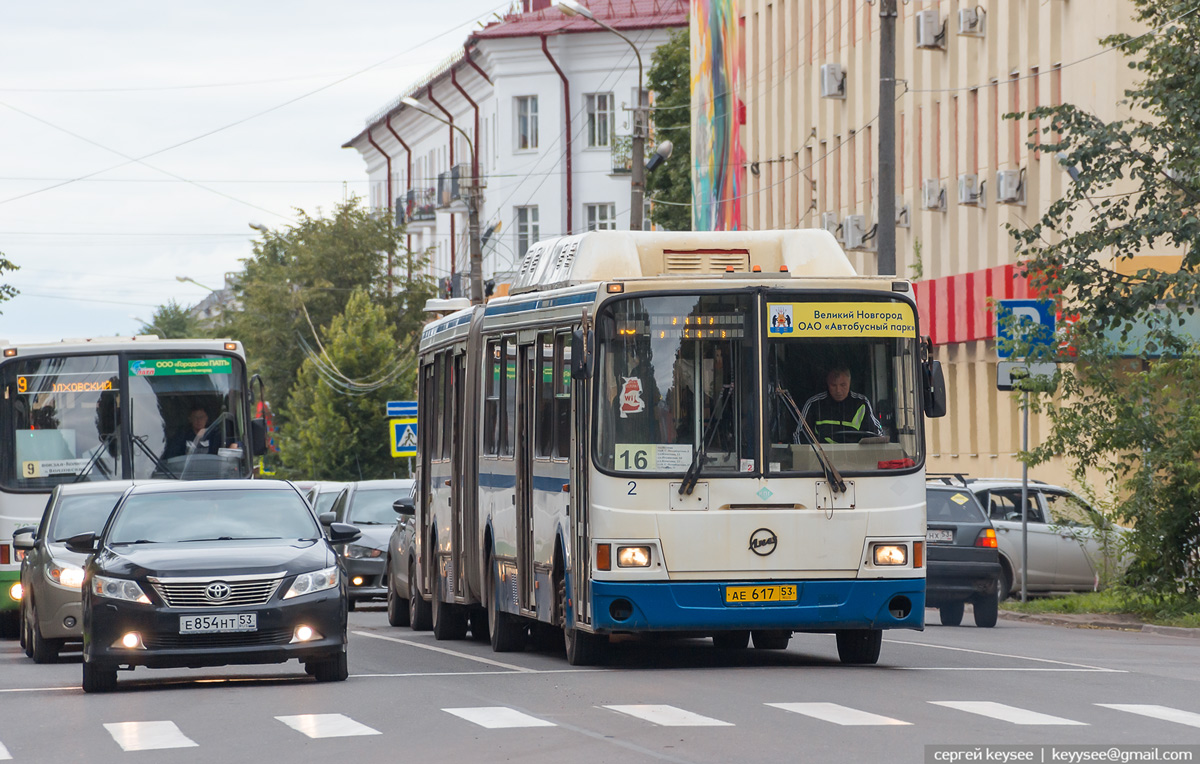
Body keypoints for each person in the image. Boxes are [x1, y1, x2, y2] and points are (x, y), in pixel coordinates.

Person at [796, 366, 883, 444]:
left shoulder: (862, 402)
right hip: (822, 459)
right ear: (827, 384)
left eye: (843, 385)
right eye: (833, 385)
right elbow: (799, 436)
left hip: (856, 458)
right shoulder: (814, 404)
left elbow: (877, 434)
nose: (838, 390)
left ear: (850, 383)